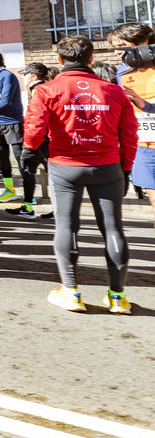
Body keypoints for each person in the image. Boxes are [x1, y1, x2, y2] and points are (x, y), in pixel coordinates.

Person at [23, 36, 136, 314]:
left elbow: (35, 126)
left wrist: (28, 151)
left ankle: (71, 292)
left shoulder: (46, 90)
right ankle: (117, 297)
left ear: (60, 60)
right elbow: (129, 133)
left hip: (65, 167)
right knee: (113, 228)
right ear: (90, 58)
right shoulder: (114, 91)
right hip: (108, 166)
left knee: (66, 226)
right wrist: (126, 167)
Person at [108, 22, 155, 226]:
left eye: (123, 46)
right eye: (115, 47)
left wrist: (145, 105)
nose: (118, 52)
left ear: (143, 42)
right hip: (143, 147)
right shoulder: (122, 72)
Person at [0, 50, 35, 212]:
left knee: (20, 158)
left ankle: (29, 194)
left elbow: (6, 100)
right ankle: (10, 190)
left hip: (12, 122)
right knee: (2, 158)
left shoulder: (8, 76)